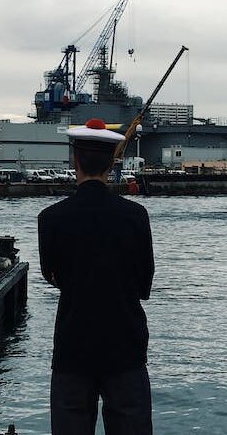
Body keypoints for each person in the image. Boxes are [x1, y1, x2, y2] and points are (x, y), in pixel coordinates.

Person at [38, 118, 155, 435]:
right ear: (111, 162)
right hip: (126, 349)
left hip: (72, 350)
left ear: (75, 161)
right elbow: (145, 284)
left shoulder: (50, 219)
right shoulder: (136, 216)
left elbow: (52, 276)